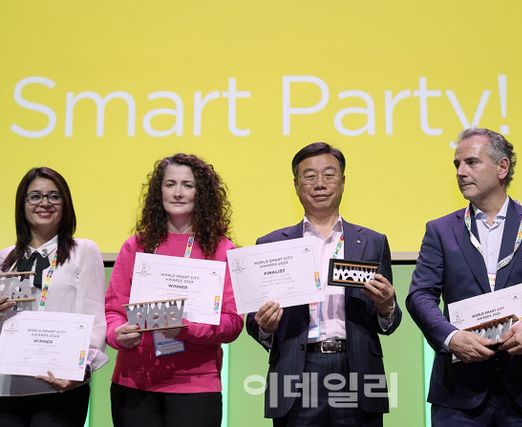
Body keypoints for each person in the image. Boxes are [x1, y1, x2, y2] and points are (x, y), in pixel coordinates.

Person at [406, 128, 522, 426]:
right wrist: (451, 338)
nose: (461, 172)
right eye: (457, 164)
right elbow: (420, 294)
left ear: (502, 167)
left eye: (471, 162)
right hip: (460, 393)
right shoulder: (440, 230)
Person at [246, 142, 402, 426]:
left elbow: (389, 324)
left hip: (357, 368)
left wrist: (387, 305)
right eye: (309, 176)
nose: (320, 183)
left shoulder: (372, 242)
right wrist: (265, 327)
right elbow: (254, 323)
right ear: (296, 185)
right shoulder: (271, 245)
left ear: (343, 181)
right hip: (295, 370)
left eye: (329, 175)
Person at [105, 153, 242, 427]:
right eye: (170, 184)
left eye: (187, 185)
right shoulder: (136, 245)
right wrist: (117, 334)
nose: (178, 193)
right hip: (134, 382)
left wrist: (184, 328)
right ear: (159, 191)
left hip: (196, 385)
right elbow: (113, 312)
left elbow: (232, 323)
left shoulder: (222, 249)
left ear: (201, 194)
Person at [0, 167, 107, 427]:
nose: (45, 203)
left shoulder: (83, 251)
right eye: (35, 196)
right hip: (8, 385)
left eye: (54, 196)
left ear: (65, 203)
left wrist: (82, 369)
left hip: (60, 383)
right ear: (22, 204)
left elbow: (93, 318)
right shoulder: (5, 258)